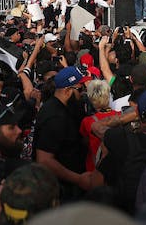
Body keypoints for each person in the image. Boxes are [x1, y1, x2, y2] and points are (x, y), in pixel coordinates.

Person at [34, 66, 93, 201]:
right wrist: (78, 179)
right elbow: (44, 160)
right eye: (79, 89)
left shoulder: (72, 107)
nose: (83, 92)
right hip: (60, 190)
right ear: (67, 91)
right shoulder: (54, 117)